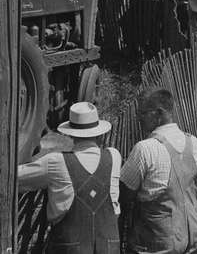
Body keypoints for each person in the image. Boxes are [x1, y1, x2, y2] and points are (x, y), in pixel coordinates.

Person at [17, 102, 121, 252]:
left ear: (71, 134)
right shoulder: (114, 157)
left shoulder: (56, 161)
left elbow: (16, 177)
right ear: (99, 133)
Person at [119, 89, 197, 254]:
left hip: (159, 240)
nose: (139, 118)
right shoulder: (193, 142)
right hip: (196, 234)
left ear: (159, 113)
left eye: (143, 113)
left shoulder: (145, 148)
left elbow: (125, 194)